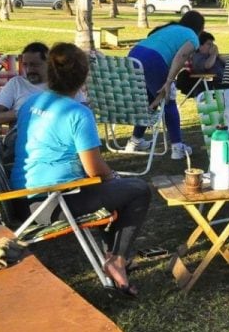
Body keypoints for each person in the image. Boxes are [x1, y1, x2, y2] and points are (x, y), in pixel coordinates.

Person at [10, 43, 150, 297]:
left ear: (49, 72)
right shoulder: (77, 113)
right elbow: (94, 168)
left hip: (21, 200)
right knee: (138, 189)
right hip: (51, 203)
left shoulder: (31, 102)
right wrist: (114, 177)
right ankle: (117, 260)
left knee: (108, 190)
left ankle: (112, 254)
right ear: (85, 77)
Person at [126, 10, 204, 159]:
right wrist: (169, 81)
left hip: (134, 55)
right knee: (168, 99)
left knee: (149, 99)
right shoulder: (192, 37)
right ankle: (177, 147)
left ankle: (135, 140)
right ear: (200, 28)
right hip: (153, 59)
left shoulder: (170, 28)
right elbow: (181, 56)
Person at [0, 42, 50, 128]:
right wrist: (22, 112)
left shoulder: (63, 86)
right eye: (25, 65)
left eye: (34, 65)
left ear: (49, 63)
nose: (29, 70)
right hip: (20, 138)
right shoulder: (17, 84)